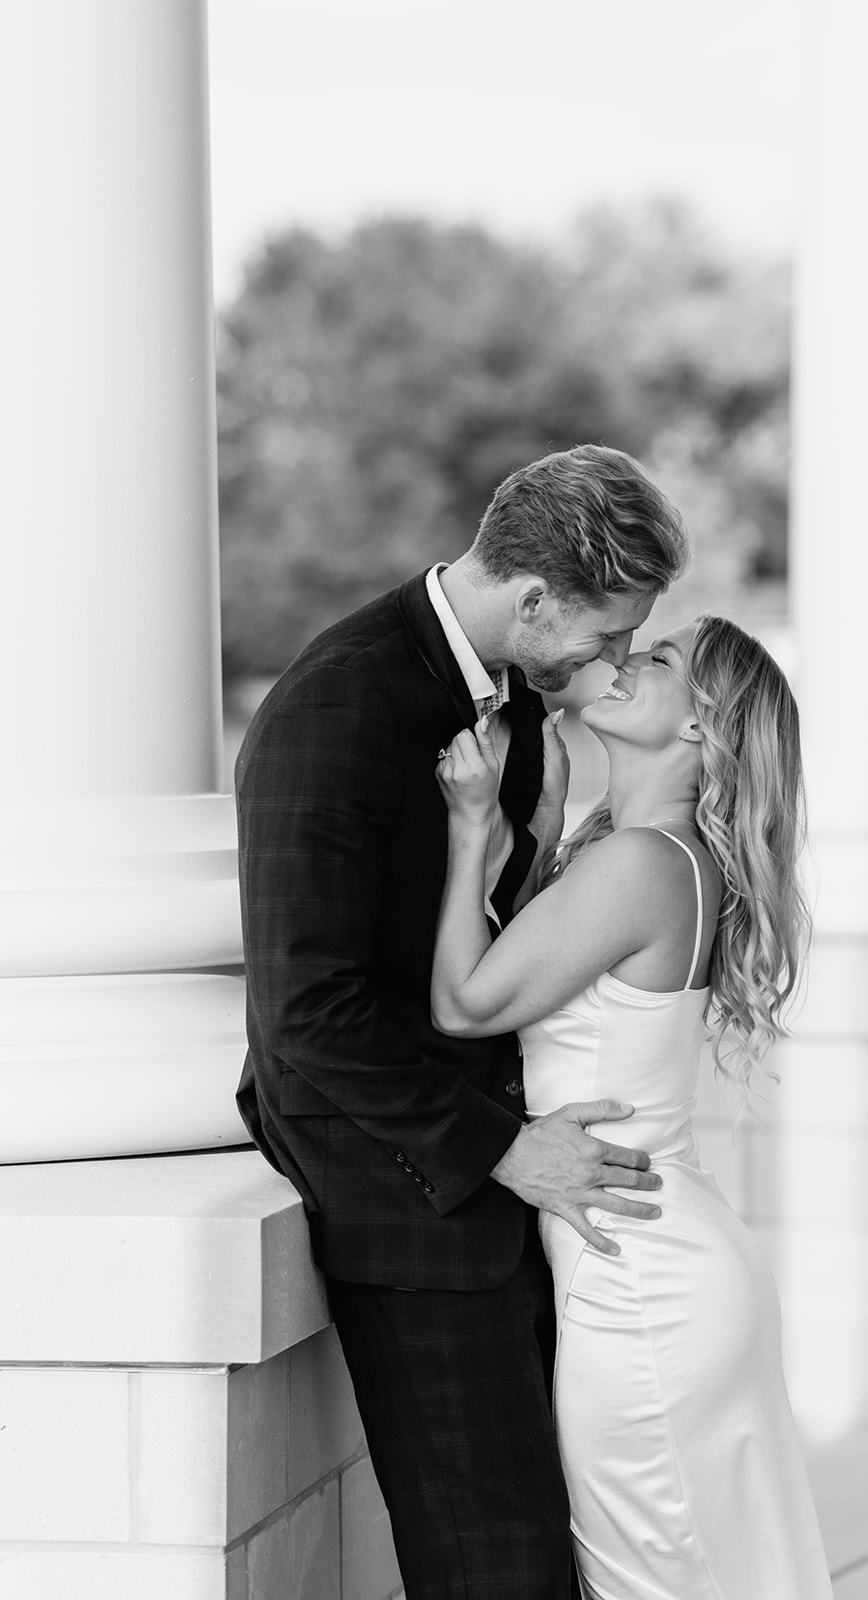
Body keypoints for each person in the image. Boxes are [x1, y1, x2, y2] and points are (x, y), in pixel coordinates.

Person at [234, 444, 690, 1600]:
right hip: (415, 1201)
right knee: (499, 1567)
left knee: (546, 1549)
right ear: (533, 598)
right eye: (607, 633)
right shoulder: (339, 705)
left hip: (502, 1189)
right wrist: (504, 1146)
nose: (615, 659)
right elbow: (306, 1011)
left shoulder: (509, 700)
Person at [432, 615, 835, 1599]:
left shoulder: (645, 863)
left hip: (641, 1286)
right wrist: (537, 832)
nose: (621, 661)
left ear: (703, 729)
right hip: (659, 1260)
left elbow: (466, 1000)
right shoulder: (643, 854)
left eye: (656, 661)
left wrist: (470, 826)